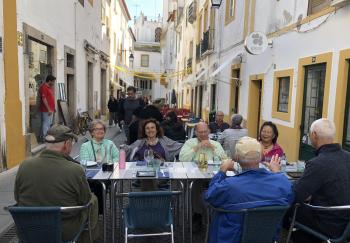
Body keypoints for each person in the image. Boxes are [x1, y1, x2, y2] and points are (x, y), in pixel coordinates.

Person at [267, 118, 350, 243]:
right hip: (346, 221)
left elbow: (294, 195)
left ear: (314, 135)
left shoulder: (318, 163)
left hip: (329, 223)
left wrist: (277, 173)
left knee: (284, 207)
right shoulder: (347, 156)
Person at [14, 124, 99, 242]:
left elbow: (17, 197)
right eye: (72, 143)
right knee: (93, 199)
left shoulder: (25, 165)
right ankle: (87, 239)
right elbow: (84, 200)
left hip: (28, 230)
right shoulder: (75, 169)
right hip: (63, 231)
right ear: (66, 144)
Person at [205, 136, 293, 243]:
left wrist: (222, 171)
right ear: (261, 156)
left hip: (233, 238)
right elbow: (290, 198)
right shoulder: (282, 182)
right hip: (267, 238)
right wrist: (278, 173)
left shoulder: (230, 186)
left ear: (236, 158)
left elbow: (210, 197)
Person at [179, 122, 226, 232]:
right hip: (195, 176)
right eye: (200, 132)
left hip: (214, 176)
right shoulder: (190, 143)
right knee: (196, 184)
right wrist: (197, 147)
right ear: (196, 132)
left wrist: (213, 148)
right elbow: (182, 159)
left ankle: (219, 213)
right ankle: (197, 215)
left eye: (205, 131)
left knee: (225, 183)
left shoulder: (215, 144)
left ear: (209, 132)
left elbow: (224, 158)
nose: (203, 134)